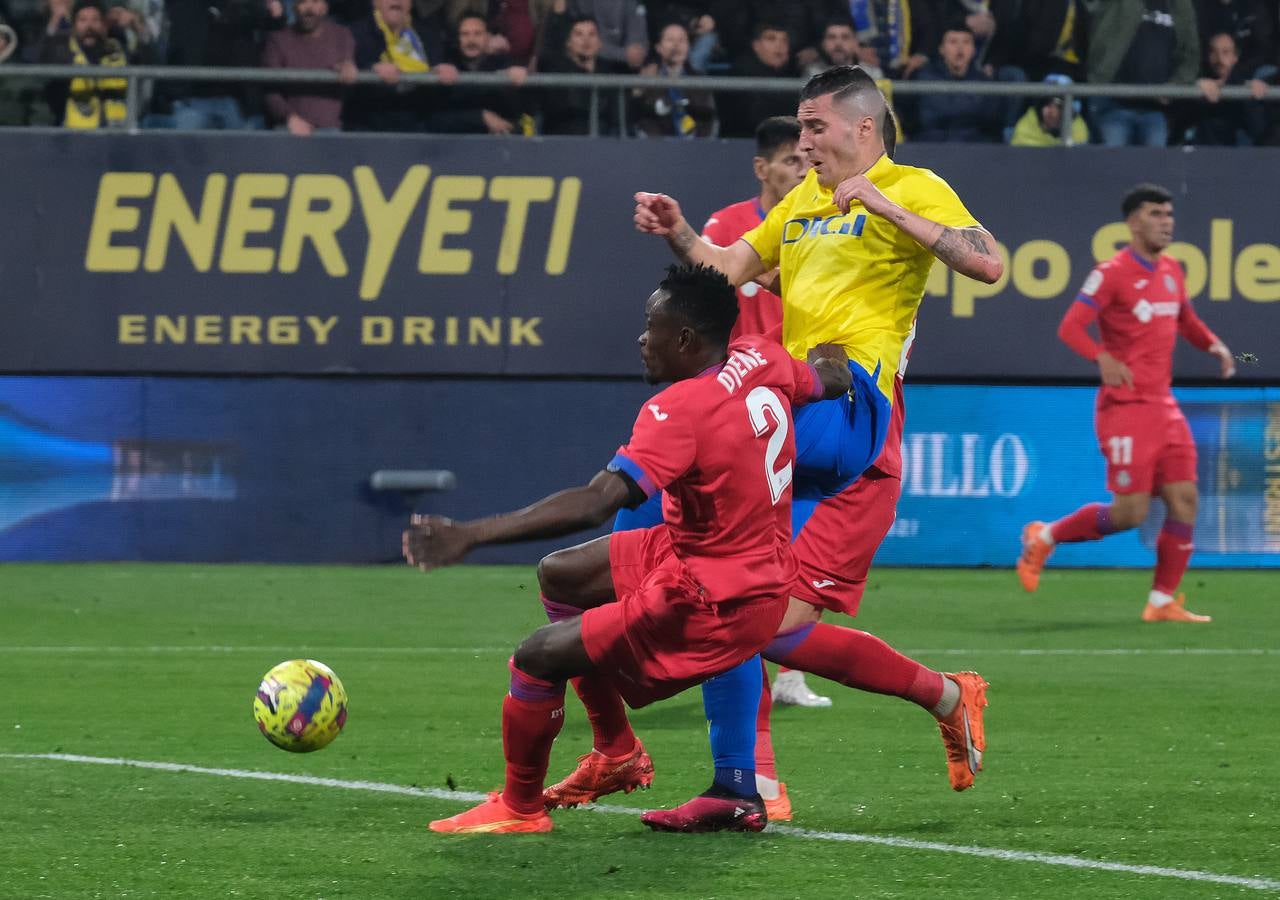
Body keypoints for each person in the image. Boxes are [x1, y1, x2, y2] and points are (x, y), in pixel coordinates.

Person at [535, 65, 1000, 831]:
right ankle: (763, 773)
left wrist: (885, 206)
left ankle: (723, 774)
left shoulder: (913, 185)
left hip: (851, 410)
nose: (803, 142)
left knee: (732, 591)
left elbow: (986, 263)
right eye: (798, 129)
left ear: (862, 127)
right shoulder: (802, 206)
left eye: (814, 128)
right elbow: (727, 270)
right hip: (794, 406)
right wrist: (681, 232)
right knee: (748, 606)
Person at [411, 263, 854, 834]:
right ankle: (615, 749)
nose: (643, 340)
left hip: (712, 598)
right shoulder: (759, 359)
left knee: (537, 656)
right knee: (561, 575)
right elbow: (828, 378)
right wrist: (836, 340)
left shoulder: (680, 411)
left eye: (653, 326)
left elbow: (597, 501)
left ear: (687, 340)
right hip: (737, 562)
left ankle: (520, 809)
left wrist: (469, 534)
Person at [1017, 183, 1236, 622]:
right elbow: (1071, 327)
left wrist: (1215, 346)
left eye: (1169, 214)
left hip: (1164, 406)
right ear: (1134, 222)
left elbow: (1186, 320)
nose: (1167, 222)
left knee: (1185, 499)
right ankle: (1046, 535)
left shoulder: (1173, 269)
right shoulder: (1111, 272)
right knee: (1130, 513)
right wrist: (1102, 356)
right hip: (1126, 409)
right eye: (1157, 214)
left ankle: (1161, 601)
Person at [1084, 0, 1200, 147]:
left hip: (1155, 110)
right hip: (1113, 103)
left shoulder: (1181, 6)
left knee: (1154, 168)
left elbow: (1190, 55)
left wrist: (1174, 86)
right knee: (1112, 166)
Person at [261, 0, 357, 135]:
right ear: (294, 7)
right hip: (288, 129)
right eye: (303, 2)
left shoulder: (342, 36)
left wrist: (349, 66)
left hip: (330, 130)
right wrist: (290, 118)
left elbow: (349, 64)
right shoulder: (277, 40)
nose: (309, 8)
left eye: (315, 2)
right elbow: (270, 91)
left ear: (325, 7)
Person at [39, 0, 129, 128]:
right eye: (82, 20)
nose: (89, 26)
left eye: (95, 20)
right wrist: (55, 20)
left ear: (104, 25)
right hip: (74, 137)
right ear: (74, 26)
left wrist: (137, 28)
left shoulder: (118, 49)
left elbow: (152, 64)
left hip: (119, 135)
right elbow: (39, 59)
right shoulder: (63, 50)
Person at [631, 20, 715, 138]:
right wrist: (640, 88)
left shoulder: (699, 80)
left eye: (682, 40)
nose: (676, 45)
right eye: (670, 40)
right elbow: (639, 116)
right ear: (658, 47)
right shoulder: (648, 78)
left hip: (694, 147)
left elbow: (707, 117)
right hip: (656, 146)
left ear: (688, 47)